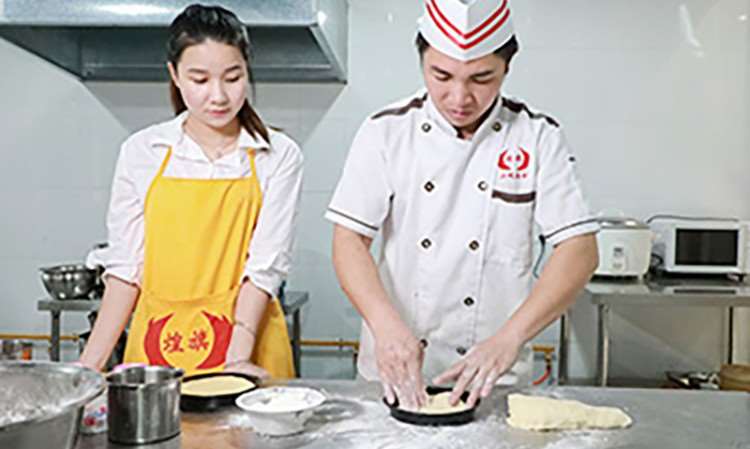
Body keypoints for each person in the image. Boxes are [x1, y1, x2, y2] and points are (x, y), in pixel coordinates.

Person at [327, 0, 599, 409]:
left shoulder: (536, 136)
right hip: (396, 371)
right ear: (422, 62)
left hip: (494, 378)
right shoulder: (386, 131)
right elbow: (349, 239)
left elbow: (579, 249)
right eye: (441, 75)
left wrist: (511, 337)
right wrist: (384, 325)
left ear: (507, 67)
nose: (459, 97)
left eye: (481, 78)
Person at [79, 4, 303, 379]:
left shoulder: (277, 154)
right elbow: (125, 269)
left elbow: (265, 269)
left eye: (233, 78)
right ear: (175, 75)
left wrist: (236, 359)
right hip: (157, 351)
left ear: (247, 71)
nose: (218, 96)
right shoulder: (143, 152)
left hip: (248, 344)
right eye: (199, 80)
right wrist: (87, 369)